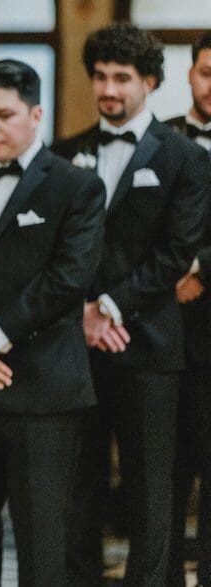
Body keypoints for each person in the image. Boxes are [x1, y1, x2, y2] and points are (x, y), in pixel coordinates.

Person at [52, 22, 209, 586]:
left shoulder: (184, 158)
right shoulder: (67, 155)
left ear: (150, 81)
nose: (109, 90)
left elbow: (175, 253)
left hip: (150, 349)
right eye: (100, 77)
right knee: (78, 492)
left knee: (150, 497)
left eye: (122, 78)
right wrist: (83, 314)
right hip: (76, 350)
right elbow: (59, 251)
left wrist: (110, 307)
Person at [0, 59, 105, 586]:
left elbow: (67, 280)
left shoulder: (76, 186)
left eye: (6, 115)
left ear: (37, 114)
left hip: (41, 390)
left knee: (43, 550)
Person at [165, 30, 211, 587]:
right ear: (189, 74)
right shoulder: (165, 141)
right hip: (165, 329)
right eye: (205, 71)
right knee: (166, 473)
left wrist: (200, 270)